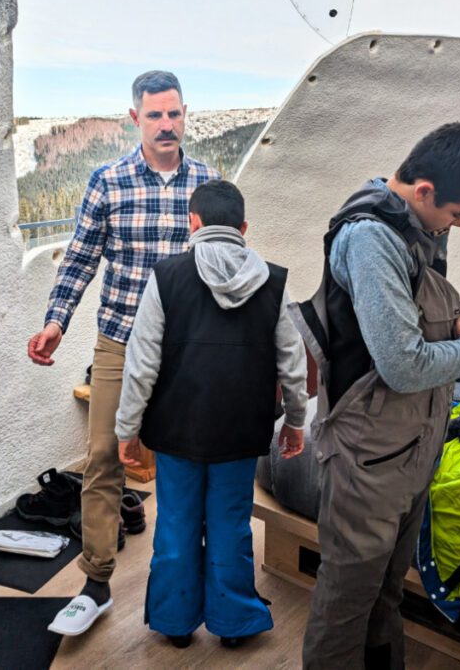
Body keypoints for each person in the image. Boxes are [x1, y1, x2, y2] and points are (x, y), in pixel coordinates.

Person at [293, 121, 460, 668]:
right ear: (424, 190)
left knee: (387, 589)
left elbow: (432, 317)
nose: (457, 226)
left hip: (413, 445)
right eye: (458, 214)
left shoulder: (421, 228)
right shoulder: (370, 240)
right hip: (368, 457)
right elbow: (404, 363)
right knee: (347, 600)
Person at [27, 70, 220, 636]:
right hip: (119, 343)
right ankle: (96, 585)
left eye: (175, 113)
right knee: (104, 459)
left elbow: (225, 265)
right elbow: (81, 259)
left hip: (188, 350)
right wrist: (56, 322)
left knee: (191, 464)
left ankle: (188, 585)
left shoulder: (208, 184)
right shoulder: (106, 182)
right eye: (155, 115)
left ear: (187, 114)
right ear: (135, 118)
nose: (166, 124)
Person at [115, 179, 308, 649]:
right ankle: (233, 624)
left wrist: (127, 429)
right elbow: (292, 360)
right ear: (243, 228)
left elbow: (141, 364)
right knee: (230, 525)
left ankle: (175, 623)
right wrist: (297, 420)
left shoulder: (165, 276)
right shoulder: (273, 280)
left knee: (177, 524)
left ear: (193, 223)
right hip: (241, 434)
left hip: (178, 431)